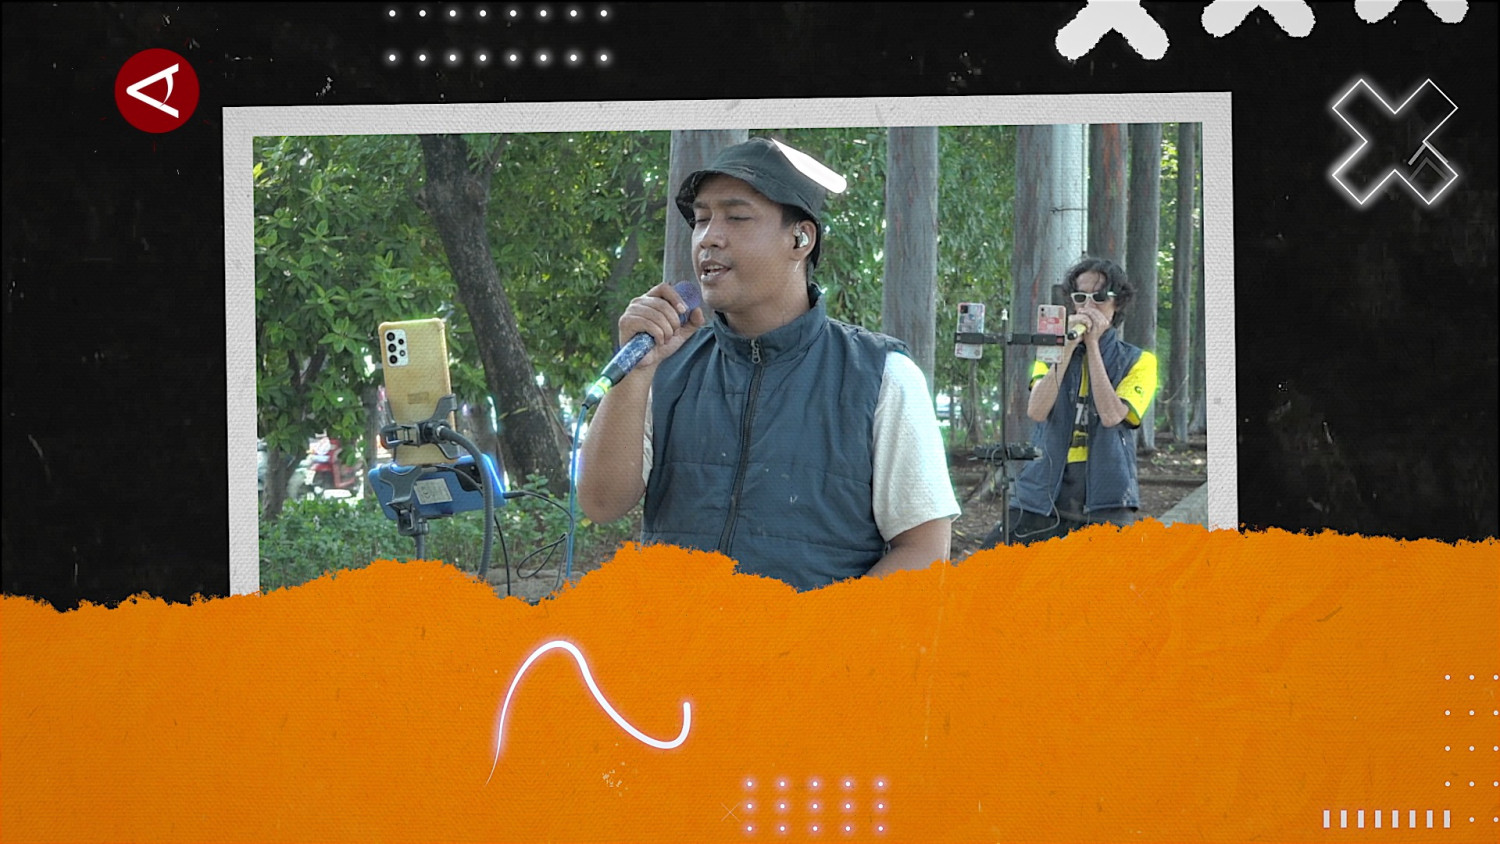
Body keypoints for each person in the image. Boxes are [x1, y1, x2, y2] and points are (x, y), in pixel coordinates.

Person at [577, 137, 958, 591]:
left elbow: (924, 550)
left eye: (736, 217)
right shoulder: (666, 366)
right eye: (701, 219)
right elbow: (601, 504)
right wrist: (636, 375)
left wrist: (820, 627)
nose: (708, 237)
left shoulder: (881, 376)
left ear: (800, 238)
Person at [984, 256, 1158, 547]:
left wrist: (1093, 346)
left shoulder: (1139, 360)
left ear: (1117, 303)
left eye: (1099, 297)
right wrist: (1065, 349)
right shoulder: (1051, 353)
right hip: (1045, 483)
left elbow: (1112, 415)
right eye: (1080, 297)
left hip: (1106, 489)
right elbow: (1036, 410)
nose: (1089, 306)